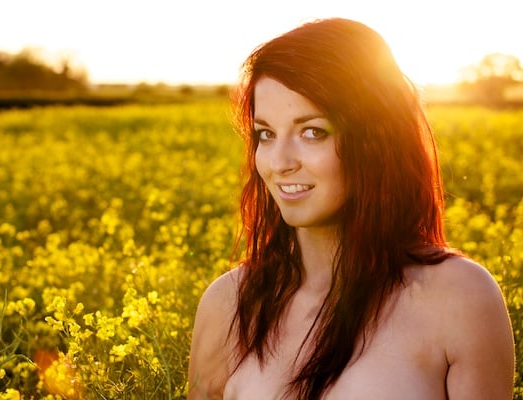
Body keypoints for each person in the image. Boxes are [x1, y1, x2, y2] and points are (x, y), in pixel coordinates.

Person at [188, 17, 515, 399]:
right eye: (266, 134)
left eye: (313, 132)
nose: (279, 162)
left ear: (376, 140)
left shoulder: (459, 299)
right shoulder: (228, 305)